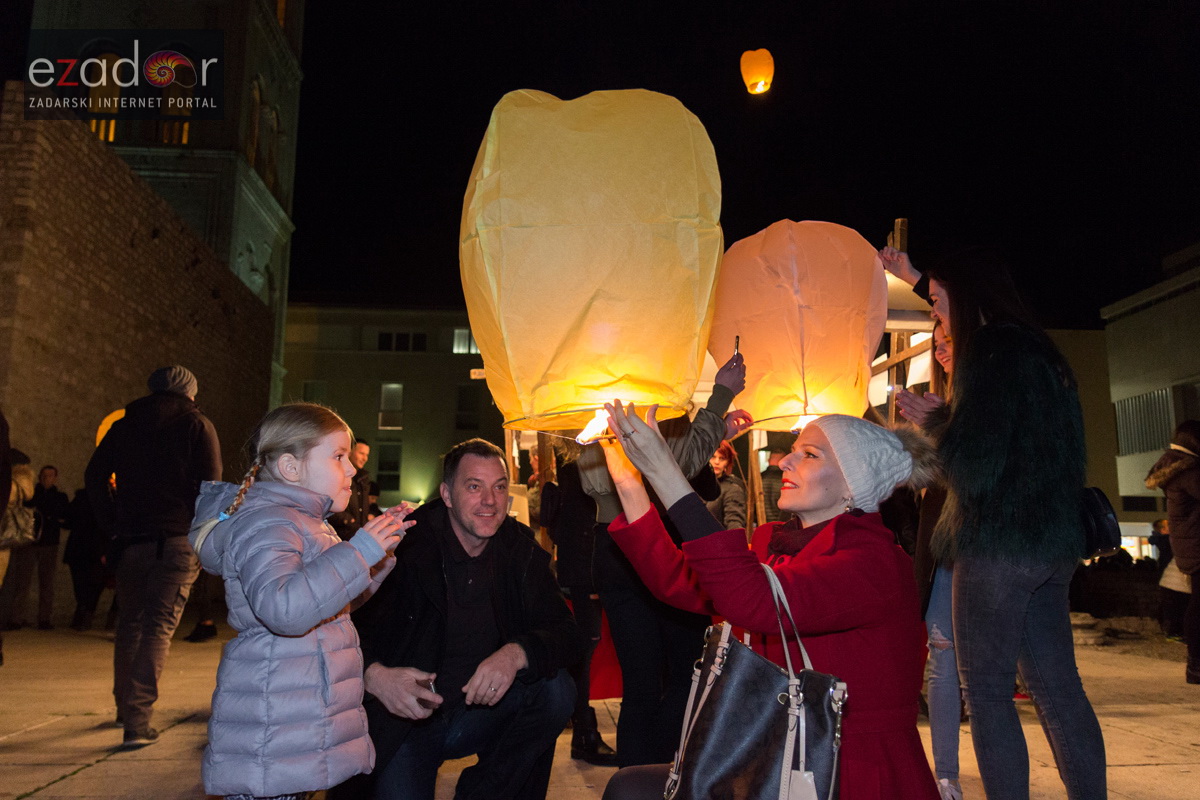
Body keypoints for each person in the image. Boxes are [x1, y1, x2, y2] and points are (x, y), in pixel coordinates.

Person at [597, 402, 940, 800]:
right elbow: (680, 581)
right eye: (794, 450)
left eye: (809, 455)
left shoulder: (874, 563)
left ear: (853, 484)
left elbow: (754, 600)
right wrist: (628, 482)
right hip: (778, 754)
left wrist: (665, 474)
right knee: (629, 787)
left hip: (848, 770)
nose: (784, 461)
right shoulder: (778, 546)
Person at [882, 245, 1107, 799]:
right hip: (1051, 544)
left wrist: (936, 422)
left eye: (937, 305)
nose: (936, 317)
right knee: (1059, 691)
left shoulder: (986, 353)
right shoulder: (1040, 349)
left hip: (996, 543)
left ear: (963, 298)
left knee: (983, 693)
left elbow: (975, 466)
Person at [189, 402, 412, 800]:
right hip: (273, 735)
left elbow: (327, 603)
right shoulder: (269, 522)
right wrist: (359, 552)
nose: (352, 469)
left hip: (297, 729)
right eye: (339, 456)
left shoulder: (308, 522)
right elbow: (285, 610)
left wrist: (380, 555)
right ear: (292, 468)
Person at [351, 438, 582, 800]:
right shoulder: (403, 547)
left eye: (499, 487)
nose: (490, 501)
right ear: (446, 494)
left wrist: (515, 654)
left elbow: (568, 634)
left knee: (555, 691)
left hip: (480, 712)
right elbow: (337, 629)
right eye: (474, 487)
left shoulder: (519, 551)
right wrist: (374, 676)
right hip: (406, 720)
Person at [578, 352, 747, 768]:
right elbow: (670, 466)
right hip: (633, 544)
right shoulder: (613, 392)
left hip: (648, 539)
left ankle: (664, 774)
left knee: (676, 675)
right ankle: (646, 778)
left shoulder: (638, 389)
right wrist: (720, 397)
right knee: (656, 678)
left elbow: (676, 465)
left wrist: (711, 429)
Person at [85, 365, 222, 749]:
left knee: (130, 624)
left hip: (130, 539)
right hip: (176, 538)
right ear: (189, 393)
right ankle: (138, 720)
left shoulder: (124, 425)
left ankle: (124, 708)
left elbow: (94, 475)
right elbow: (211, 486)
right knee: (158, 628)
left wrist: (111, 519)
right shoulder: (198, 425)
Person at [900, 322, 964, 800]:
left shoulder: (992, 388)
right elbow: (931, 475)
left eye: (947, 341)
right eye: (936, 343)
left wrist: (943, 425)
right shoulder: (946, 398)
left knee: (985, 669)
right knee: (942, 659)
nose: (941, 351)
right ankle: (947, 778)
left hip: (989, 544)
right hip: (942, 541)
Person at [541, 451, 618, 766]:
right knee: (584, 650)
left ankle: (583, 728)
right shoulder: (584, 459)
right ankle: (584, 731)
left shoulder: (570, 461)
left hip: (579, 566)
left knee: (584, 649)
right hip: (588, 567)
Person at [1145, 420, 1200, 683]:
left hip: (1190, 546)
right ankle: (1196, 664)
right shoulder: (1189, 471)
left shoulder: (1177, 466)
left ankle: (1195, 664)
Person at [63, 487, 110, 631]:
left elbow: (68, 520)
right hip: (90, 549)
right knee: (89, 584)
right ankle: (84, 615)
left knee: (88, 584)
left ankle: (83, 616)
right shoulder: (104, 500)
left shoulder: (85, 499)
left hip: (86, 549)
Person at [330, 437, 374, 540]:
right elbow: (327, 502)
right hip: (341, 538)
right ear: (350, 452)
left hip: (357, 537)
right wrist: (348, 520)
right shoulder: (338, 475)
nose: (365, 458)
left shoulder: (364, 479)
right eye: (361, 453)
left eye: (367, 455)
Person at [704, 440, 746, 531]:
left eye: (722, 458)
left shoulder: (733, 489)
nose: (717, 462)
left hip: (717, 541)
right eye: (713, 457)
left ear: (727, 462)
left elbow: (734, 520)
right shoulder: (697, 485)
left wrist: (735, 541)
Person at [759, 438, 789, 523]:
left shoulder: (759, 479)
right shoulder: (786, 481)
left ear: (768, 461)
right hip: (781, 526)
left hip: (760, 526)